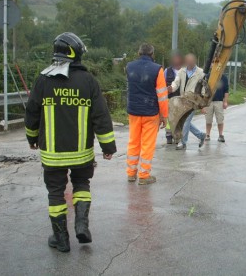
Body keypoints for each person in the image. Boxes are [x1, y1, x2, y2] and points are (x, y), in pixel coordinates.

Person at [25, 32, 117, 252]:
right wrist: (108, 147)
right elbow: (101, 116)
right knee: (82, 185)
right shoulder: (88, 81)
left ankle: (61, 239)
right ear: (76, 54)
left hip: (52, 154)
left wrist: (31, 137)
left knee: (56, 193)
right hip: (81, 153)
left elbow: (32, 113)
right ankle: (82, 225)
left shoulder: (43, 80)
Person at [126, 43, 168, 185]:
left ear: (139, 53)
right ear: (152, 54)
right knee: (147, 144)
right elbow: (162, 96)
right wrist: (164, 115)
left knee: (133, 142)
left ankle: (131, 173)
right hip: (151, 112)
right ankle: (144, 175)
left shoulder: (129, 67)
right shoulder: (157, 69)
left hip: (133, 111)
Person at [168, 53, 206, 150]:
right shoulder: (182, 71)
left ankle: (183, 142)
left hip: (194, 101)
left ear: (194, 61)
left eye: (191, 61)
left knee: (185, 122)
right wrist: (171, 88)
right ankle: (201, 135)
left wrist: (203, 103)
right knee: (185, 121)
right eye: (187, 61)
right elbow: (176, 82)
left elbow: (203, 88)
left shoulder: (201, 72)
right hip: (183, 100)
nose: (189, 63)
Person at [164, 52, 183, 144]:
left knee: (178, 118)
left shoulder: (184, 71)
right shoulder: (167, 71)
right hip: (169, 98)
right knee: (169, 118)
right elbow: (162, 84)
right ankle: (168, 136)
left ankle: (177, 136)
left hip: (180, 99)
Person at [204, 73, 229, 142]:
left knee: (220, 120)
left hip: (219, 101)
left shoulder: (224, 77)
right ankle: (207, 135)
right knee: (208, 120)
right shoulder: (207, 76)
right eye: (213, 63)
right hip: (209, 102)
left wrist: (225, 102)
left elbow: (226, 91)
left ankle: (220, 135)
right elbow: (203, 90)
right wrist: (203, 104)